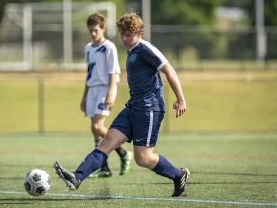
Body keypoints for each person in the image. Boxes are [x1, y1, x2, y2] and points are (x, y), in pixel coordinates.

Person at [54, 11, 189, 197]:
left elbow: (169, 70)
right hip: (132, 108)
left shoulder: (145, 48)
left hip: (149, 109)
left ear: (139, 34)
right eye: (122, 34)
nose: (124, 38)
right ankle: (76, 178)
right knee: (106, 143)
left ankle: (178, 174)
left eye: (129, 35)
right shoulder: (131, 50)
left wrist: (180, 99)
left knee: (144, 158)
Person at [80, 13, 133, 178]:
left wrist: (110, 93)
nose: (93, 34)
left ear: (103, 28)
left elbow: (113, 72)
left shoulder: (109, 47)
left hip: (105, 89)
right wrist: (84, 96)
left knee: (97, 126)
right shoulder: (88, 48)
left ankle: (124, 153)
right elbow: (89, 73)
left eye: (96, 30)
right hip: (92, 90)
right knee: (95, 130)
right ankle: (105, 168)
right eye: (91, 31)